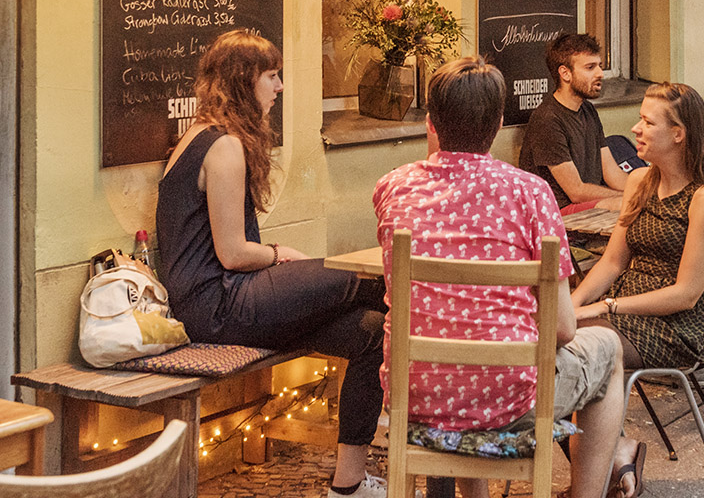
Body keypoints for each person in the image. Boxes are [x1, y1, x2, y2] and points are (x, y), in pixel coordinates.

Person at [372, 57, 626, 498]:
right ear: (500, 124)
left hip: (416, 394)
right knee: (608, 348)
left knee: (467, 343)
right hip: (508, 400)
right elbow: (564, 329)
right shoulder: (530, 192)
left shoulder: (393, 187)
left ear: (431, 123)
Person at [156, 30, 387, 498]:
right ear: (245, 81)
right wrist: (281, 255)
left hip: (228, 300)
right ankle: (459, 386)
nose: (279, 87)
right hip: (216, 306)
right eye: (271, 76)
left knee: (372, 330)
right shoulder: (222, 145)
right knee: (370, 280)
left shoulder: (205, 135)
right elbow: (234, 254)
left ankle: (348, 486)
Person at [571, 82, 704, 498]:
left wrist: (602, 308)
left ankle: (589, 484)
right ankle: (616, 453)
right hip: (622, 314)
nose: (636, 128)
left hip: (674, 327)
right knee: (559, 340)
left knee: (588, 348)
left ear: (679, 133)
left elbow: (686, 294)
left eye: (647, 122)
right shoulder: (641, 181)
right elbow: (612, 262)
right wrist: (569, 307)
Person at [519, 33, 629, 210]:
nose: (600, 74)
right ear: (565, 73)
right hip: (558, 213)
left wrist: (649, 190)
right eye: (590, 67)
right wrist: (631, 197)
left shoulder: (588, 110)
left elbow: (613, 174)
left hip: (586, 204)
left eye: (599, 66)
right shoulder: (548, 120)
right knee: (628, 205)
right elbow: (576, 192)